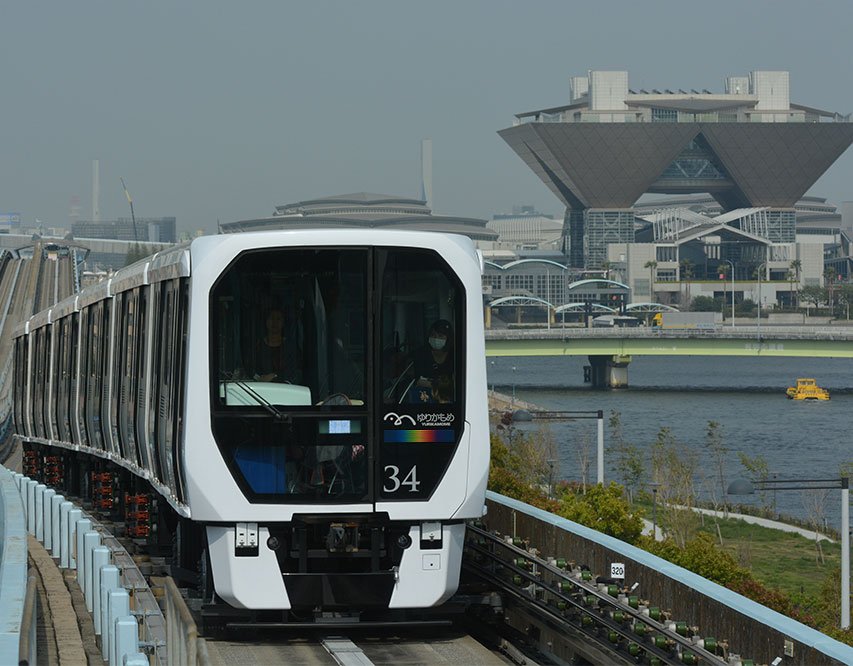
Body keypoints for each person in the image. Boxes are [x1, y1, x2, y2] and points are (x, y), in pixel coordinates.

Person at [410, 319, 455, 403]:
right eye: (433, 335)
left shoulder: (454, 355)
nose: (436, 338)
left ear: (448, 339)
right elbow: (418, 380)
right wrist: (439, 386)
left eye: (440, 336)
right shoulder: (421, 353)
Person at [253, 308, 301, 383]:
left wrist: (274, 376)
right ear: (266, 321)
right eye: (271, 318)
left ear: (283, 322)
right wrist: (260, 379)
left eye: (278, 319)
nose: (274, 322)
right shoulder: (258, 346)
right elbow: (252, 370)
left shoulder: (291, 347)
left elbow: (296, 371)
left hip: (287, 389)